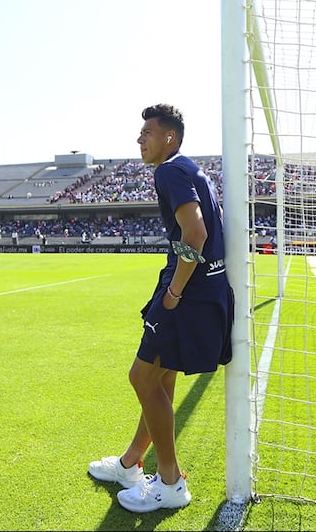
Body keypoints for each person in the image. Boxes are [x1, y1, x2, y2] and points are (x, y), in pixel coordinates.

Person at [87, 103, 234, 513]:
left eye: (147, 132)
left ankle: (170, 482)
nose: (139, 138)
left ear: (169, 137)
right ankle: (131, 463)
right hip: (206, 289)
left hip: (188, 291)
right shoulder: (189, 168)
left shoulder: (170, 170)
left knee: (143, 377)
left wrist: (172, 294)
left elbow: (197, 233)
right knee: (160, 378)